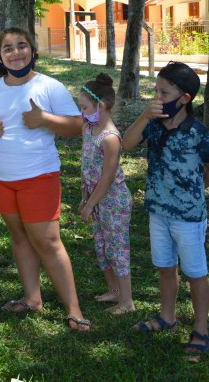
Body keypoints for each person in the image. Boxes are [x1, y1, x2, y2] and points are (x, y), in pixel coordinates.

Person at [0, 27, 90, 332]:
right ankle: (32, 298)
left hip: (38, 176)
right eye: (8, 48)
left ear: (32, 49)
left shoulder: (49, 87)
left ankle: (74, 310)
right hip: (0, 177)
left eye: (21, 46)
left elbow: (77, 126)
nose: (16, 53)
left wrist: (44, 120)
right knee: (19, 236)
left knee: (48, 242)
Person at [124, 61, 209, 354]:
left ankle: (201, 330)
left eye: (163, 93)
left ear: (184, 99)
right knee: (165, 268)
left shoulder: (198, 132)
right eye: (155, 91)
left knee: (195, 273)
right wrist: (144, 115)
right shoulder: (152, 125)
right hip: (158, 212)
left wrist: (192, 193)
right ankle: (167, 317)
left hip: (188, 218)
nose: (156, 98)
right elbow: (127, 144)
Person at [77, 73, 135, 315]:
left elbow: (108, 176)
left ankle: (127, 301)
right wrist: (85, 197)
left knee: (116, 248)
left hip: (112, 199)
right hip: (95, 197)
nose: (82, 112)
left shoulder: (110, 137)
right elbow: (86, 167)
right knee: (102, 246)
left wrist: (91, 204)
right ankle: (114, 291)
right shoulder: (88, 128)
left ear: (100, 106)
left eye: (85, 107)